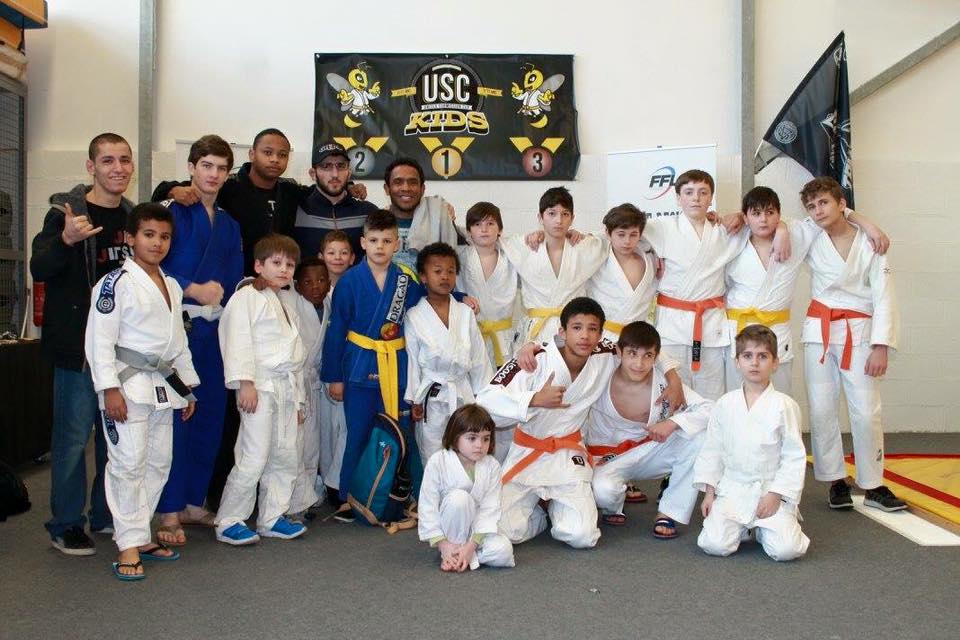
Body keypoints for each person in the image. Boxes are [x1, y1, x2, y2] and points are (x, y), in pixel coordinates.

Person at [320, 210, 475, 503]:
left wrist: (459, 297)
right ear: (363, 243)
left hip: (397, 367)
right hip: (359, 366)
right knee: (358, 433)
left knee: (402, 433)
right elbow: (336, 331)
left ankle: (397, 497)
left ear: (396, 244)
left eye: (386, 240)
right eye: (374, 240)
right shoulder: (349, 282)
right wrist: (334, 377)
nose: (380, 246)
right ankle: (348, 497)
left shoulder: (405, 278)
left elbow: (429, 295)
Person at [30, 132, 135, 554]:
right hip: (77, 351)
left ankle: (106, 514)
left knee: (114, 438)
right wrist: (66, 240)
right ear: (91, 166)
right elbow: (39, 266)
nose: (118, 168)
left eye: (124, 159)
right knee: (73, 441)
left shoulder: (131, 217)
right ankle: (66, 523)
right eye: (107, 160)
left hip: (120, 352)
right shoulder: (64, 213)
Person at [84, 203, 199, 579]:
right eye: (149, 235)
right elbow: (99, 341)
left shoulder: (172, 285)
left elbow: (178, 342)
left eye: (164, 237)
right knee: (128, 463)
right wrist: (109, 389)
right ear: (129, 238)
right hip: (127, 384)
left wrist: (187, 387)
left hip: (163, 387)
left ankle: (140, 533)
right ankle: (128, 545)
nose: (157, 243)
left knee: (158, 462)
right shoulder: (114, 283)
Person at [154, 135, 244, 546]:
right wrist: (192, 289)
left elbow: (234, 279)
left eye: (221, 168)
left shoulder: (229, 224)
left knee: (210, 416)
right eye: (206, 165)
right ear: (191, 167)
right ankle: (169, 509)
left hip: (216, 330)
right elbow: (152, 264)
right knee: (179, 417)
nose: (213, 174)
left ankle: (193, 501)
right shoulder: (173, 212)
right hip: (179, 326)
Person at [799, 177, 905, 512]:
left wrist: (881, 345)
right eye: (812, 206)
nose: (818, 211)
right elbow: (773, 225)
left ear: (841, 204)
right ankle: (835, 480)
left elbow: (884, 296)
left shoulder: (871, 242)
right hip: (819, 332)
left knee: (866, 410)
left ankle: (873, 484)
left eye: (824, 203)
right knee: (821, 409)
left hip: (859, 332)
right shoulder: (810, 235)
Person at [477, 297, 615, 549]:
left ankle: (557, 508)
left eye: (592, 329)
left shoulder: (606, 353)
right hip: (528, 453)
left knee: (582, 536)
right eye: (577, 327)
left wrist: (671, 375)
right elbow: (485, 401)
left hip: (567, 456)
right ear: (562, 332)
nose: (585, 335)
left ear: (600, 334)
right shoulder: (534, 360)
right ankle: (541, 514)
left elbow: (642, 345)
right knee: (500, 530)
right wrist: (534, 400)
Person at [722, 186, 889, 393]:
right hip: (737, 332)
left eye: (770, 213)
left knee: (779, 397)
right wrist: (739, 217)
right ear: (746, 218)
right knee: (736, 398)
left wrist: (869, 227)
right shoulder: (734, 238)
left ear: (779, 215)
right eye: (755, 214)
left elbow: (832, 214)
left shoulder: (797, 235)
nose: (763, 219)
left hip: (776, 332)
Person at [643, 170, 784, 400]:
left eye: (703, 193)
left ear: (711, 198)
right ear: (678, 198)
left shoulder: (726, 231)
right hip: (671, 326)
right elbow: (623, 230)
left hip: (711, 327)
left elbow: (763, 222)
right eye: (689, 192)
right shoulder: (662, 227)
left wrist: (782, 229)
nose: (696, 198)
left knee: (711, 396)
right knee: (671, 392)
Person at [215, 234, 307, 545]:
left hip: (284, 387)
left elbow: (295, 358)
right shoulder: (245, 297)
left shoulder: (285, 302)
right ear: (258, 265)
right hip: (259, 385)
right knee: (253, 454)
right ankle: (229, 520)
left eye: (289, 265)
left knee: (285, 453)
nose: (283, 270)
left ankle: (272, 516)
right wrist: (245, 383)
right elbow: (237, 340)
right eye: (276, 263)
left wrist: (299, 401)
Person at [694, 325, 809, 561]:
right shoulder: (725, 404)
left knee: (787, 550)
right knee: (714, 544)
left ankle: (764, 529)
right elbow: (713, 450)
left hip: (769, 490)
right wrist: (709, 493)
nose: (754, 363)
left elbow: (794, 456)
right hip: (732, 489)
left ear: (775, 363)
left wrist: (776, 494)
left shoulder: (785, 405)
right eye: (747, 356)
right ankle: (744, 529)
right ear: (737, 362)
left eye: (763, 356)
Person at [588, 322, 712, 538]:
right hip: (608, 456)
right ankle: (614, 504)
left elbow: (711, 409)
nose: (639, 363)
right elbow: (567, 345)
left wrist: (672, 423)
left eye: (647, 356)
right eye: (632, 354)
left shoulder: (665, 383)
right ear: (619, 352)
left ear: (656, 358)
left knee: (698, 438)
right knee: (603, 492)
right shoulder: (600, 372)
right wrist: (530, 346)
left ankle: (669, 512)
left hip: (650, 450)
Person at [406, 243, 493, 464]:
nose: (445, 276)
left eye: (451, 271)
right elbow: (412, 361)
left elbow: (479, 358)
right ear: (423, 276)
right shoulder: (414, 315)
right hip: (432, 397)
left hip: (463, 393)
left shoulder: (465, 313)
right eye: (437, 271)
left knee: (468, 453)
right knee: (433, 457)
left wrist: (484, 395)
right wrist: (415, 399)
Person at [502, 187, 607, 345]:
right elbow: (482, 237)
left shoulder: (584, 247)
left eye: (565, 214)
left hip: (572, 329)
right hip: (536, 332)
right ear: (540, 217)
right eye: (552, 213)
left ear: (572, 218)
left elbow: (618, 234)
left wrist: (590, 234)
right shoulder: (525, 246)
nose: (559, 220)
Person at [418, 404, 515, 572]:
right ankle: (451, 551)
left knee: (504, 551)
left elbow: (490, 508)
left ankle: (460, 556)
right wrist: (442, 543)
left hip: (477, 530)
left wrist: (472, 545)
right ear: (455, 437)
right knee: (459, 499)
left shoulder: (492, 465)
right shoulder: (438, 461)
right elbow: (428, 506)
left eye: (486, 439)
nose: (479, 445)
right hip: (449, 528)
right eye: (472, 438)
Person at [283, 258, 330, 520]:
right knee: (296, 445)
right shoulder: (291, 303)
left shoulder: (329, 304)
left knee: (313, 445)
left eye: (321, 280)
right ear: (297, 285)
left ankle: (307, 497)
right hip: (296, 381)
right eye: (308, 282)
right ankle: (291, 503)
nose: (315, 286)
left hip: (315, 382)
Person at [455, 202, 519, 370]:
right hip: (472, 336)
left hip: (504, 338)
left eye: (490, 223)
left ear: (500, 229)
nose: (484, 229)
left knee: (503, 383)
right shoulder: (458, 257)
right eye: (477, 224)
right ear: (468, 231)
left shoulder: (512, 257)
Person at [293, 141, 378, 261]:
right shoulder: (296, 210)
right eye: (326, 166)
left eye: (341, 166)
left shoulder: (368, 213)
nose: (335, 174)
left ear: (349, 172)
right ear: (313, 173)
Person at [317, 231, 353, 508]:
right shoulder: (313, 289)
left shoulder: (355, 286)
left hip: (347, 366)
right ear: (321, 257)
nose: (337, 258)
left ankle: (337, 484)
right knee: (323, 430)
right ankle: (323, 483)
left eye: (343, 253)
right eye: (331, 252)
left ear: (352, 258)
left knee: (346, 427)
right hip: (316, 368)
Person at [381, 157, 463, 275]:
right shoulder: (376, 223)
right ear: (387, 189)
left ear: (422, 189)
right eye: (398, 182)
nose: (406, 188)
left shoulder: (439, 216)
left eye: (412, 182)